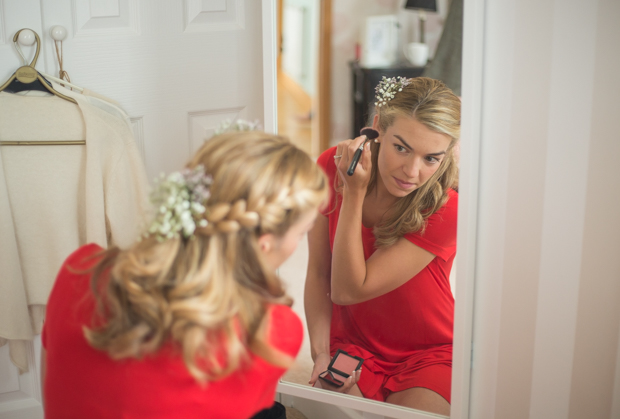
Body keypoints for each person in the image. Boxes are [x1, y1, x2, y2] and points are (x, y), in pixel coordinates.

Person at [41, 132, 328, 419]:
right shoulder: (269, 333)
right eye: (302, 233)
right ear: (264, 244)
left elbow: (52, 382)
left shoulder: (80, 269)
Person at [304, 77, 459, 415]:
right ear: (377, 128)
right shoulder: (331, 166)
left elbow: (347, 290)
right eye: (401, 147)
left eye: (431, 158)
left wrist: (353, 194)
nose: (412, 171)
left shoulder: (448, 208)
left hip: (428, 353)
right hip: (351, 347)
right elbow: (319, 273)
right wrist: (320, 354)